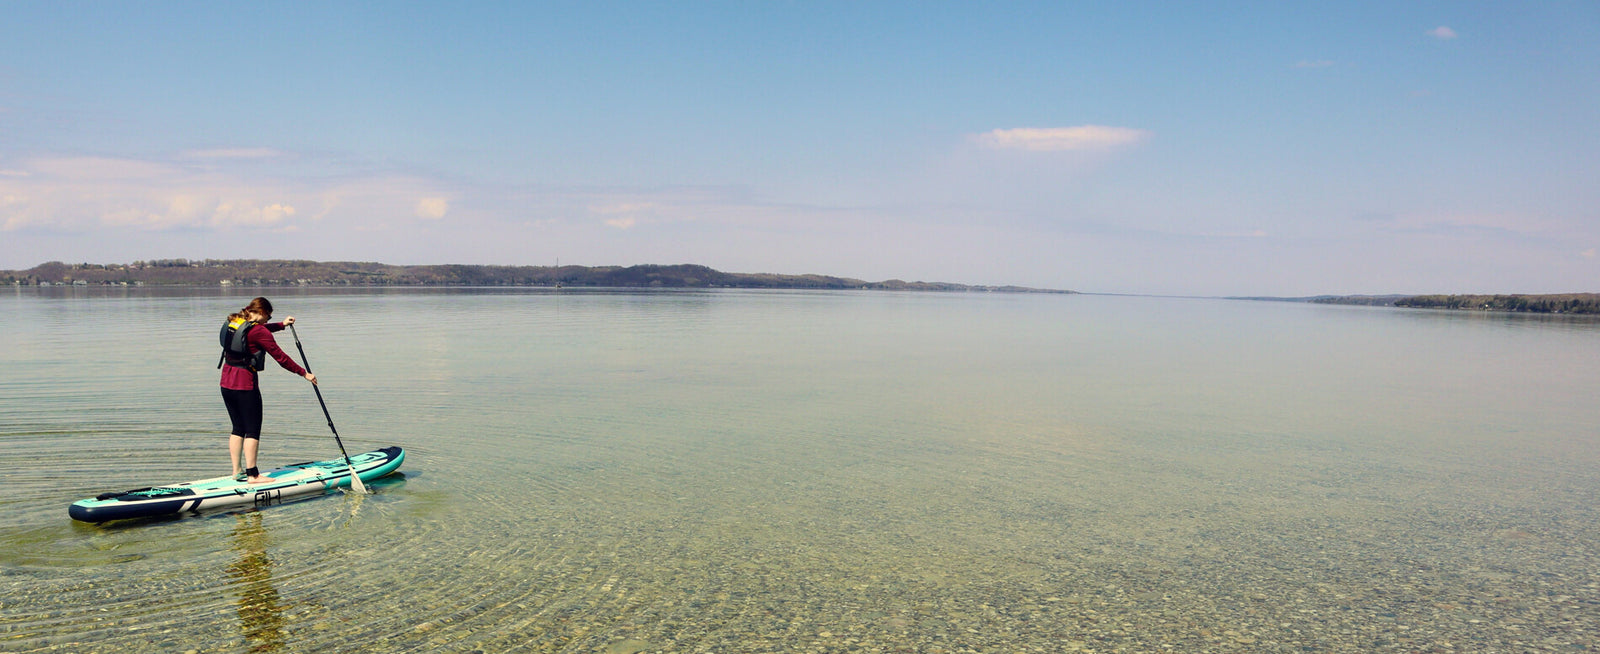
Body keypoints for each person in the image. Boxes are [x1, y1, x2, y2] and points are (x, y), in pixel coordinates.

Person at [219, 297, 317, 484]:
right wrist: (304, 373)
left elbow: (258, 331)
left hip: (226, 383)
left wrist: (281, 325)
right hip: (245, 385)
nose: (267, 320)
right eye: (268, 316)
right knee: (252, 430)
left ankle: (236, 471)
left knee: (237, 428)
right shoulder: (259, 332)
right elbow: (281, 358)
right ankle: (253, 475)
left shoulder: (236, 321)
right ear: (262, 312)